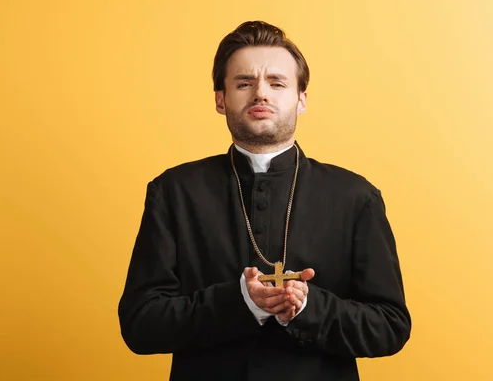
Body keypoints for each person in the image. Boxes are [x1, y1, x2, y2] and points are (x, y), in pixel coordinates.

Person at [118, 20, 411, 381]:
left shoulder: (355, 196)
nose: (261, 94)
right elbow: (139, 323)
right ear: (221, 100)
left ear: (301, 99)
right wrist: (238, 302)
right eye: (244, 83)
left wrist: (308, 308)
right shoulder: (175, 192)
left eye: (277, 82)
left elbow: (391, 326)